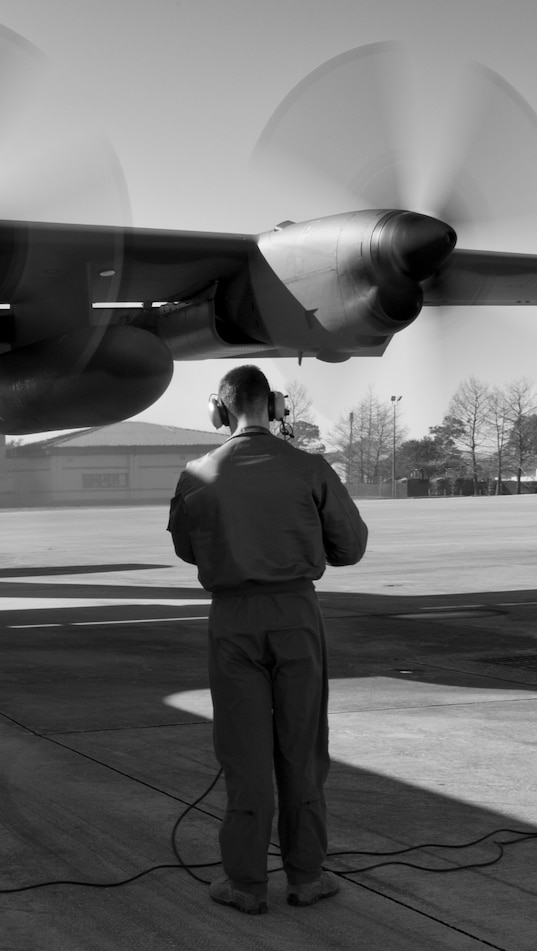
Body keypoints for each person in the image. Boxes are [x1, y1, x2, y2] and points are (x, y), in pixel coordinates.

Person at [166, 365, 368, 914]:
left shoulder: (195, 473)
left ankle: (246, 884)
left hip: (233, 618)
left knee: (243, 751)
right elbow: (350, 548)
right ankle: (306, 877)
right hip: (296, 613)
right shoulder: (309, 467)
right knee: (302, 748)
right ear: (276, 406)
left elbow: (188, 550)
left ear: (220, 409)